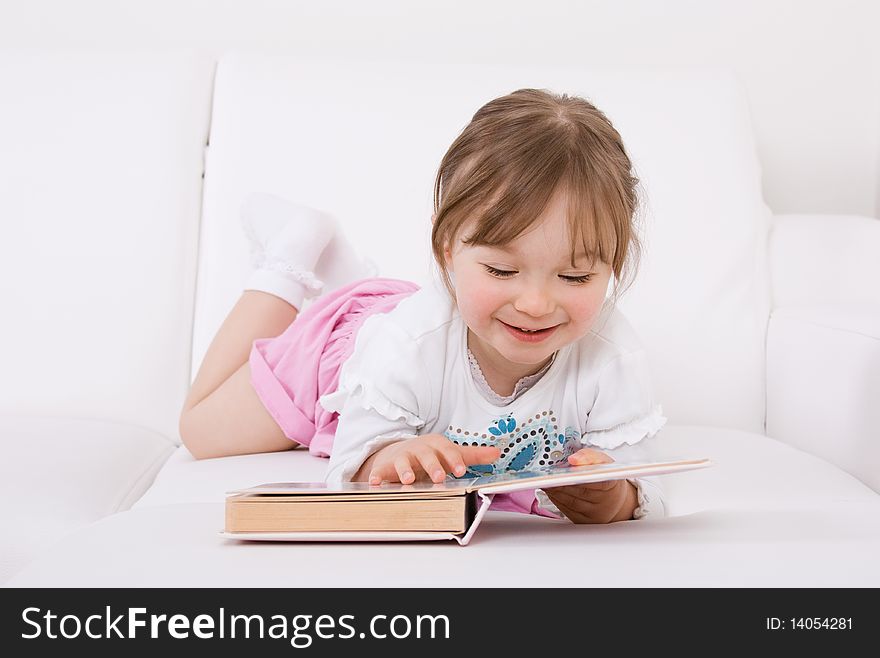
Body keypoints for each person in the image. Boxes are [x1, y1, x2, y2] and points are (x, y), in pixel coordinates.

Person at [179, 88, 667, 524]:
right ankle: (289, 257)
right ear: (446, 249)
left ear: (613, 264)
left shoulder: (614, 360)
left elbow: (643, 484)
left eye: (575, 277)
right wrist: (387, 458)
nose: (536, 304)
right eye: (501, 271)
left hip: (409, 340)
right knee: (201, 430)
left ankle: (351, 271)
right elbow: (353, 460)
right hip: (344, 359)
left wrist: (613, 498)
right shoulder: (405, 345)